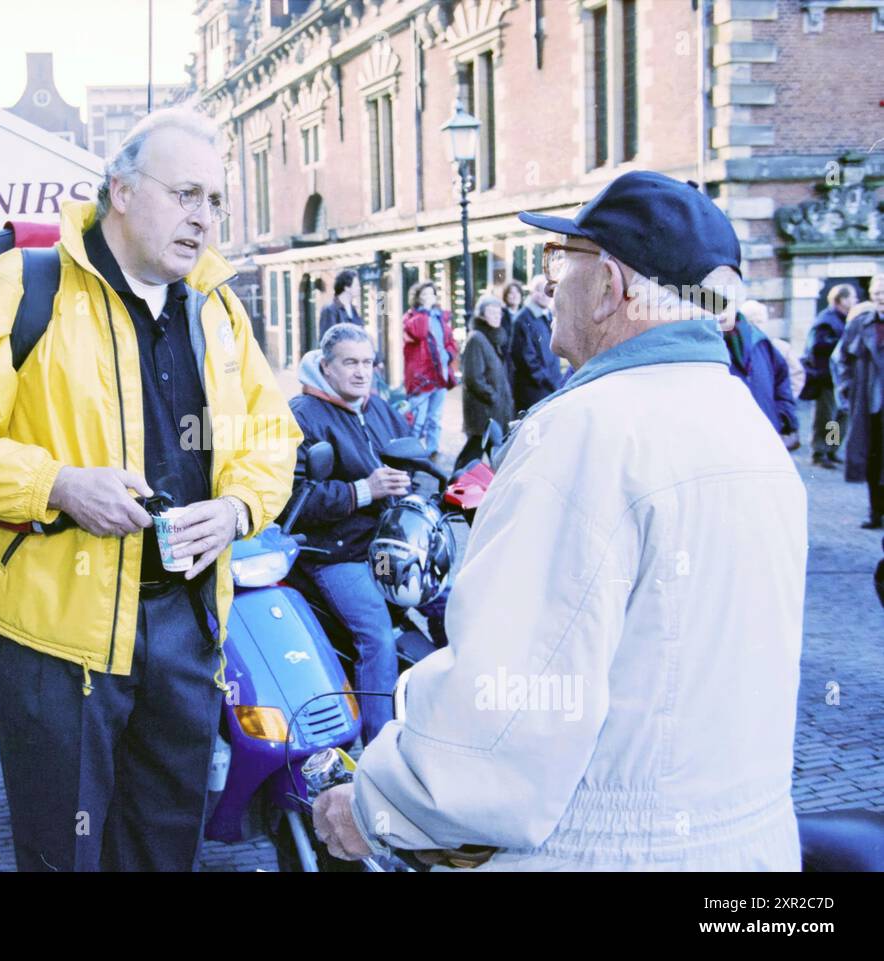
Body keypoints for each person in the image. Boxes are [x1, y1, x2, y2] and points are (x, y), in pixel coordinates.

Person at [314, 170, 806, 871]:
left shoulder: (585, 432)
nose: (547, 288)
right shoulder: (750, 430)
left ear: (610, 284)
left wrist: (376, 804)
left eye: (560, 263)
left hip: (608, 851)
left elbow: (509, 712)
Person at [0, 108, 300, 872]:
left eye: (214, 201)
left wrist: (240, 506)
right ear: (120, 188)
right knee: (65, 854)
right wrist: (57, 484)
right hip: (55, 640)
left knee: (163, 847)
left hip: (184, 628)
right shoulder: (20, 283)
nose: (203, 219)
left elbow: (272, 438)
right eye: (186, 194)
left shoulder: (217, 310)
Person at [286, 323, 448, 744]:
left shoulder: (377, 407)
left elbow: (413, 455)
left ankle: (455, 712)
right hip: (336, 553)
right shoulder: (303, 416)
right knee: (375, 633)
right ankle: (380, 747)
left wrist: (427, 485)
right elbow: (292, 500)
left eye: (367, 363)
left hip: (388, 544)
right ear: (326, 366)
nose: (361, 372)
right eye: (349, 363)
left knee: (450, 603)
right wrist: (363, 491)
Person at [832, 274, 884, 529]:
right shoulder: (861, 323)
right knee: (873, 461)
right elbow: (841, 358)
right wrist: (847, 389)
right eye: (876, 293)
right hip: (869, 404)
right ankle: (875, 513)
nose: (880, 298)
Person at [719, 300, 799, 448]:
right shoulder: (703, 340)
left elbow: (782, 379)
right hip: (728, 443)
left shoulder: (759, 339)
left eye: (761, 320)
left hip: (767, 437)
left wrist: (783, 416)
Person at [455, 295, 514, 471]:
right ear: (481, 315)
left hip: (491, 412)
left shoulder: (490, 338)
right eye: (492, 312)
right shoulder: (477, 338)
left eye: (499, 312)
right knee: (474, 456)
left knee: (485, 456)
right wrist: (493, 396)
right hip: (483, 412)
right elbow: (473, 378)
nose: (497, 316)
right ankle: (453, 487)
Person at [804, 283, 859, 468]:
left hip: (839, 379)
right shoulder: (826, 320)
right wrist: (843, 344)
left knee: (839, 417)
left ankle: (831, 449)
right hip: (827, 379)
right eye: (852, 297)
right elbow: (816, 347)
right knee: (827, 418)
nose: (855, 301)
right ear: (841, 300)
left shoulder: (844, 319)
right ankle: (820, 452)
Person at [402, 281, 458, 458]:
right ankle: (412, 452)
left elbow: (450, 341)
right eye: (424, 294)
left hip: (439, 375)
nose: (428, 298)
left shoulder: (440, 318)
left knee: (435, 417)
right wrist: (424, 311)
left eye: (431, 294)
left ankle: (432, 450)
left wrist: (449, 355)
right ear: (417, 297)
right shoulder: (412, 318)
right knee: (417, 419)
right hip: (421, 378)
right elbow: (419, 332)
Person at [510, 273, 563, 412]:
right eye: (541, 290)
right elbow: (528, 361)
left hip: (548, 388)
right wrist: (550, 382)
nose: (546, 295)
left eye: (549, 291)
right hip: (535, 392)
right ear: (532, 292)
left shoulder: (548, 315)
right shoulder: (522, 319)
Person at [498, 278, 525, 388]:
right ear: (505, 296)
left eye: (517, 292)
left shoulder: (525, 315)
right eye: (510, 293)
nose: (514, 295)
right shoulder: (501, 315)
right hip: (508, 364)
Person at [319, 270, 362, 336]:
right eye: (356, 285)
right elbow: (327, 339)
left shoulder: (353, 309)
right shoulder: (330, 310)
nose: (359, 288)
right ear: (347, 288)